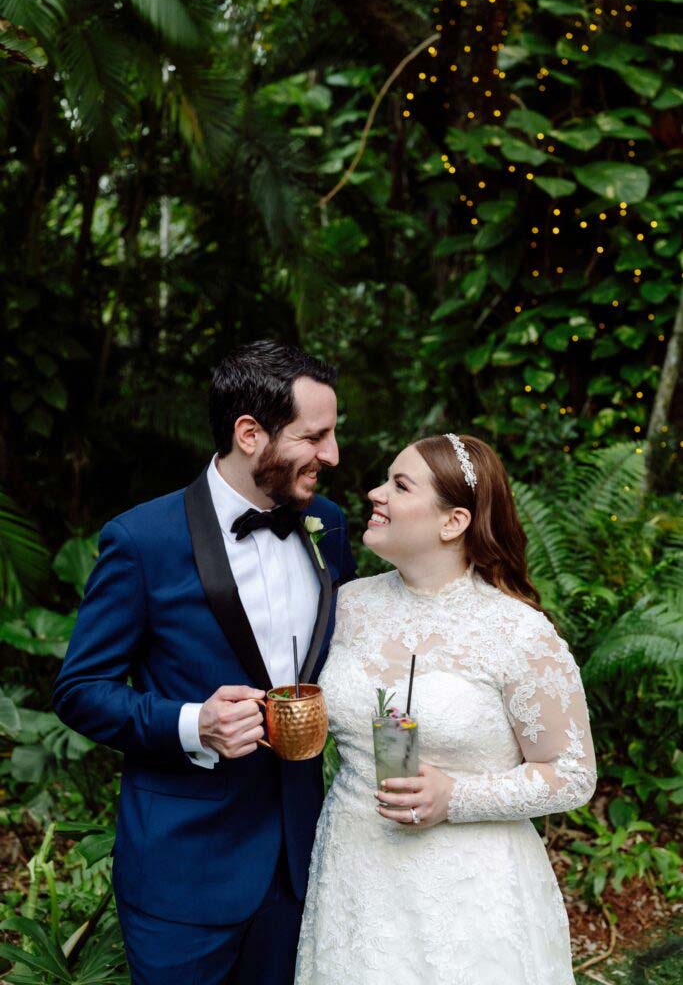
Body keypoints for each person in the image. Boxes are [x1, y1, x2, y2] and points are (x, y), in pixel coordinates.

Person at [53, 340, 356, 985]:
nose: (332, 455)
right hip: (182, 876)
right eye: (315, 436)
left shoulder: (328, 525)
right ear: (250, 434)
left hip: (299, 861)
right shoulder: (143, 540)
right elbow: (80, 689)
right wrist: (194, 724)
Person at [295, 433, 596, 985]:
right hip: (355, 871)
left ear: (452, 522)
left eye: (399, 485)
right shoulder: (349, 605)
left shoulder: (517, 632)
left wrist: (456, 797)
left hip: (470, 893)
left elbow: (574, 776)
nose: (374, 493)